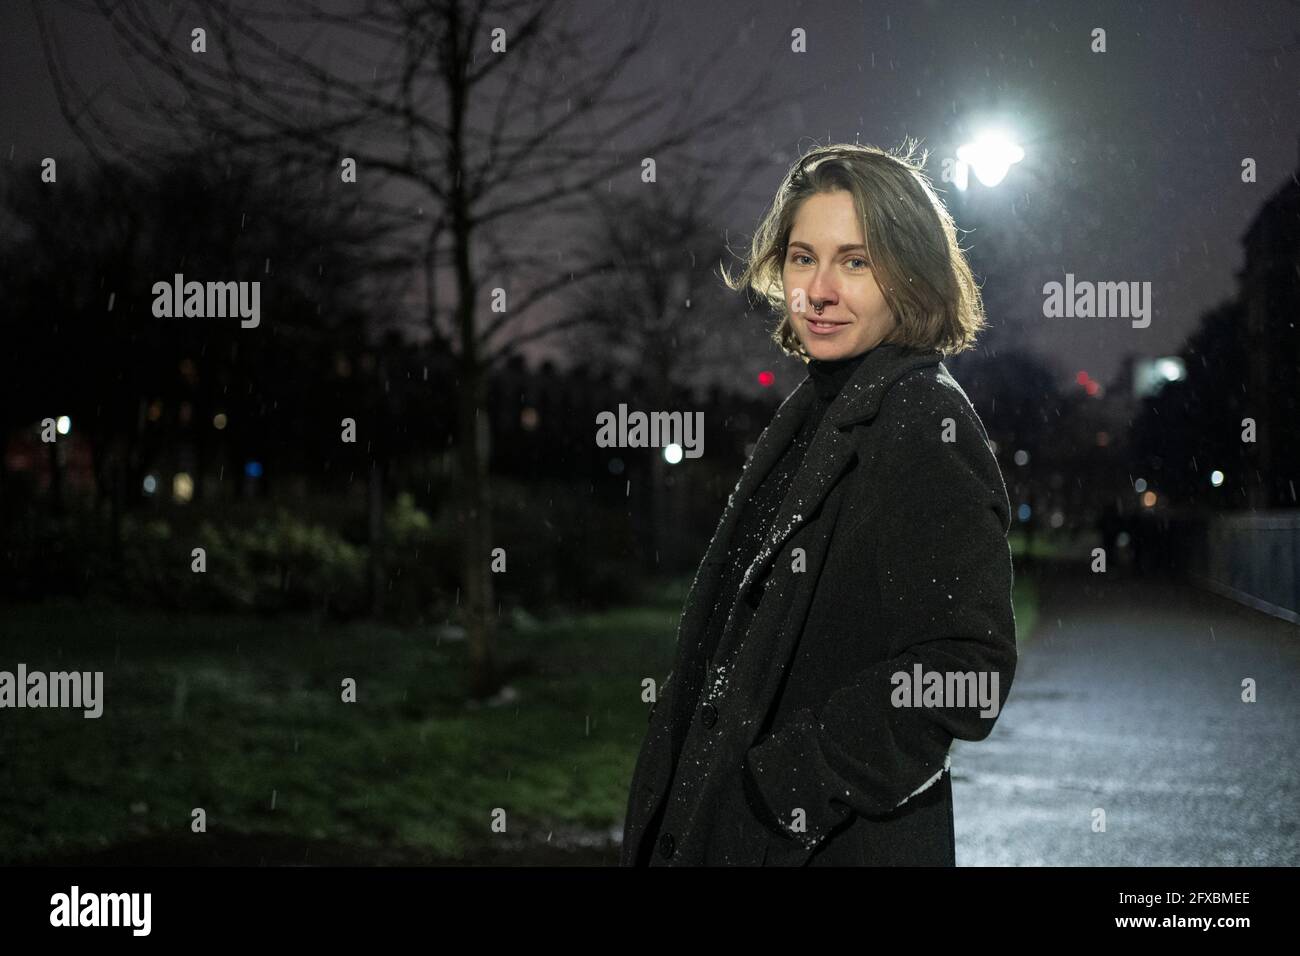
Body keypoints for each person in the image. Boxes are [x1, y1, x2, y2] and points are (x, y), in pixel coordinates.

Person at [620, 141, 1018, 866]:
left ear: (912, 275)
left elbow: (968, 667)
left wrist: (786, 790)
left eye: (855, 261)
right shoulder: (816, 411)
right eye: (803, 258)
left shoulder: (921, 423)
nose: (819, 289)